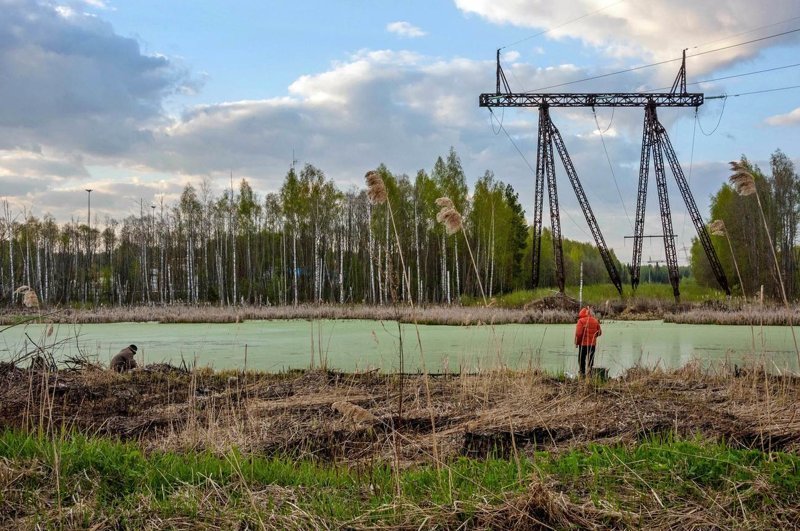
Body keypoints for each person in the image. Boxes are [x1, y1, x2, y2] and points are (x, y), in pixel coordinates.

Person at [574, 307, 601, 377]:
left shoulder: (581, 321)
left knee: (581, 360)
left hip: (583, 345)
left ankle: (582, 374)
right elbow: (600, 332)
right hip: (592, 345)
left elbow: (578, 334)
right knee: (591, 361)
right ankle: (590, 375)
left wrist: (577, 343)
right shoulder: (595, 320)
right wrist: (593, 337)